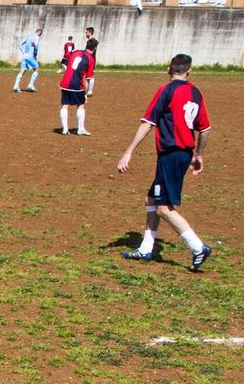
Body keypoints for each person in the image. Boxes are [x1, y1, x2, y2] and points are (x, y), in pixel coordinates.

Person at [117, 53, 213, 272]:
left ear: (168, 69)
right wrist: (198, 154)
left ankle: (198, 247)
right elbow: (205, 129)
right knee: (151, 198)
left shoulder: (166, 90)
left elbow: (148, 123)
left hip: (170, 154)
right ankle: (146, 247)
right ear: (189, 71)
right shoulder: (196, 93)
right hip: (184, 154)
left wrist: (128, 152)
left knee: (163, 208)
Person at [59, 40, 95, 135]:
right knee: (81, 105)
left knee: (64, 105)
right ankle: (80, 129)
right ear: (95, 48)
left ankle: (65, 129)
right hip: (76, 84)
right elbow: (87, 80)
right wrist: (86, 94)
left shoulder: (75, 52)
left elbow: (66, 65)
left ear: (86, 45)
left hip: (65, 82)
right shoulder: (90, 59)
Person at [14, 25, 42, 92]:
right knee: (36, 69)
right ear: (39, 33)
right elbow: (36, 45)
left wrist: (23, 52)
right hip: (31, 55)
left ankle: (16, 86)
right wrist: (35, 52)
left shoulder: (29, 36)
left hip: (25, 55)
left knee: (22, 71)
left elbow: (20, 44)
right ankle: (30, 85)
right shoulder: (37, 37)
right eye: (40, 34)